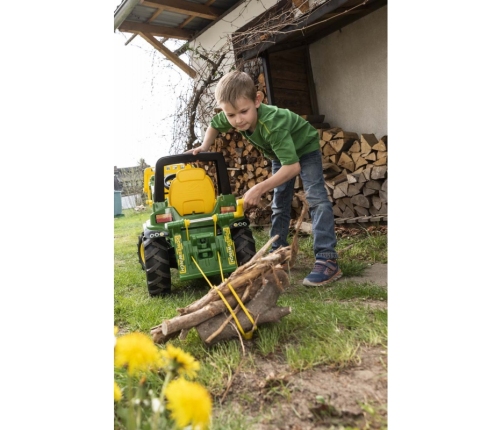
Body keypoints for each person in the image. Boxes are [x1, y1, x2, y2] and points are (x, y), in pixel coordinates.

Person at [188, 70, 342, 286]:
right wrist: (205, 146)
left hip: (304, 149)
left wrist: (258, 188)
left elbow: (293, 167)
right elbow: (214, 124)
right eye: (231, 115)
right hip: (280, 154)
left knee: (316, 199)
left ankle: (327, 260)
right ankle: (277, 255)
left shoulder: (272, 124)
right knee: (280, 203)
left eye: (244, 111)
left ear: (257, 100)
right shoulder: (231, 114)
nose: (238, 120)